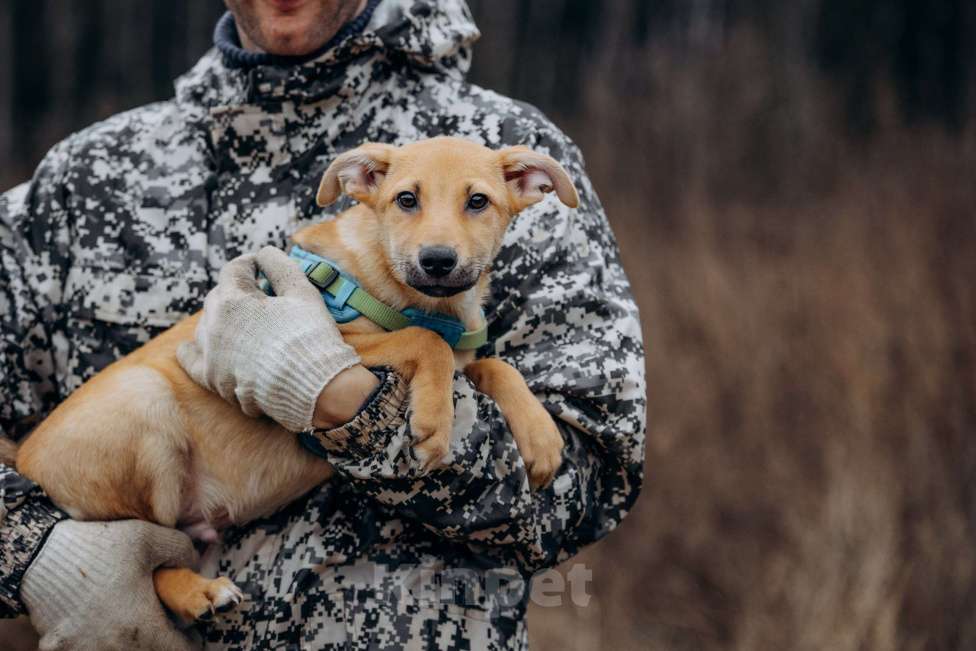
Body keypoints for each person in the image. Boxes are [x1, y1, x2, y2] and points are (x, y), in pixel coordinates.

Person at [0, 0, 646, 648]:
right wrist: (34, 552)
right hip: (158, 519)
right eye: (409, 203)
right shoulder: (83, 178)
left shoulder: (499, 141)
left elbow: (587, 488)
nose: (439, 234)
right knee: (142, 401)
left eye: (475, 205)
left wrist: (356, 406)